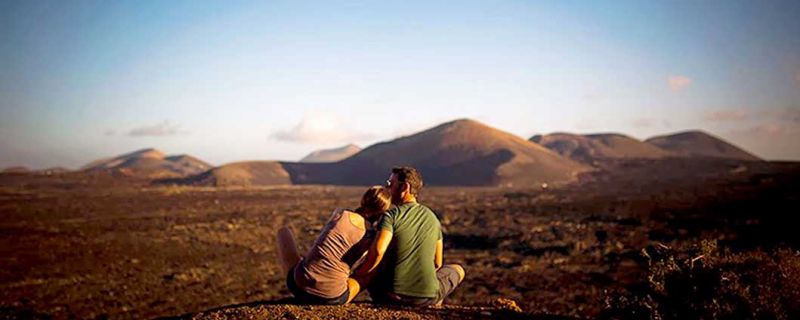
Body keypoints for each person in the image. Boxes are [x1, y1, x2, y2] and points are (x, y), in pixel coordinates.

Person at [354, 166, 465, 306]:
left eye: (390, 184)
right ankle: (433, 305)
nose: (387, 188)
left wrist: (360, 273)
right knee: (458, 270)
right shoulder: (433, 219)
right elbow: (437, 263)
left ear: (404, 187)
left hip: (388, 296)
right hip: (426, 298)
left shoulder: (391, 216)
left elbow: (378, 251)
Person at [276, 186, 391, 304]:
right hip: (332, 297)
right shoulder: (371, 237)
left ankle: (306, 270)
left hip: (298, 286)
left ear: (364, 199)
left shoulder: (340, 213)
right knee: (369, 271)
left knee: (283, 232)